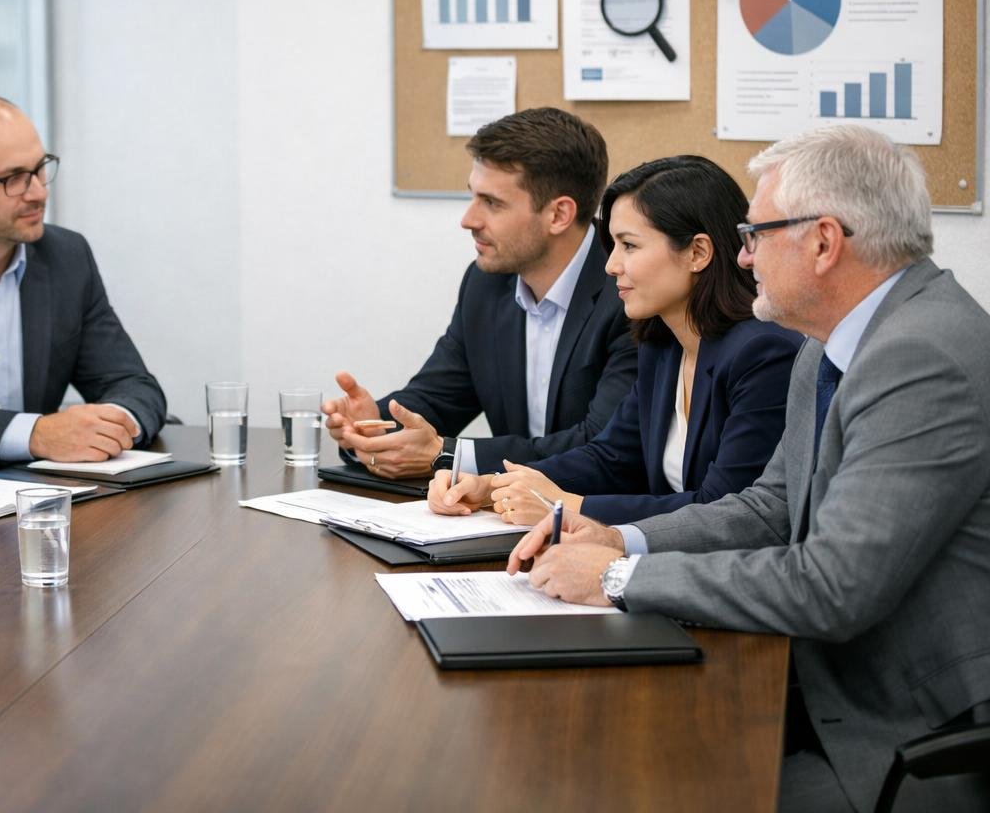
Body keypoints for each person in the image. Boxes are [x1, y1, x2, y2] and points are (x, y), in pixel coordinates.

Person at [507, 125, 990, 812]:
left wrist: (620, 577)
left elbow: (832, 586)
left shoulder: (922, 358)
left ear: (823, 242)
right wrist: (622, 540)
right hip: (821, 682)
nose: (743, 254)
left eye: (756, 233)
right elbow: (768, 509)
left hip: (909, 735)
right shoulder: (825, 346)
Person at [429, 155, 800, 524]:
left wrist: (566, 506)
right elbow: (610, 458)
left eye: (630, 246)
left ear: (697, 253)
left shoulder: (762, 353)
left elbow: (723, 508)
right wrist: (492, 487)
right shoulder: (663, 344)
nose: (611, 265)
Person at [323, 107, 636, 486]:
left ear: (559, 215)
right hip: (504, 513)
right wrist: (373, 426)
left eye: (492, 203)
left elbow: (602, 446)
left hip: (599, 521)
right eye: (473, 197)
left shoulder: (627, 290)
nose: (468, 219)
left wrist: (447, 456)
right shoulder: (486, 284)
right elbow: (438, 398)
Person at [0, 94, 167, 465]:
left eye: (40, 168)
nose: (39, 192)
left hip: (44, 501)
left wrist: (110, 425)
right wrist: (34, 434)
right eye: (13, 178)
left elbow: (133, 385)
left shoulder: (67, 257)